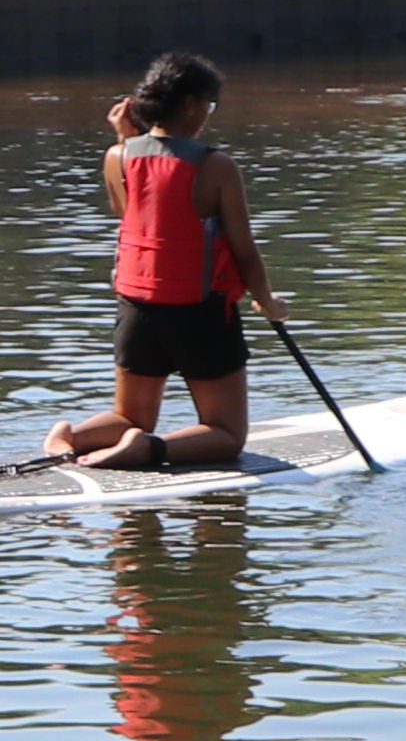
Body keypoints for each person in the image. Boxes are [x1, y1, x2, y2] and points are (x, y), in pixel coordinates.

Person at [52, 51, 289, 470]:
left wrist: (127, 139)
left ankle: (70, 437)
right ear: (191, 104)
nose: (208, 116)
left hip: (136, 308)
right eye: (209, 106)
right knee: (227, 433)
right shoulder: (216, 167)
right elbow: (243, 248)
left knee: (130, 416)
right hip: (199, 311)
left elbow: (134, 209)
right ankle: (149, 449)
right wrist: (267, 300)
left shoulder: (116, 157)